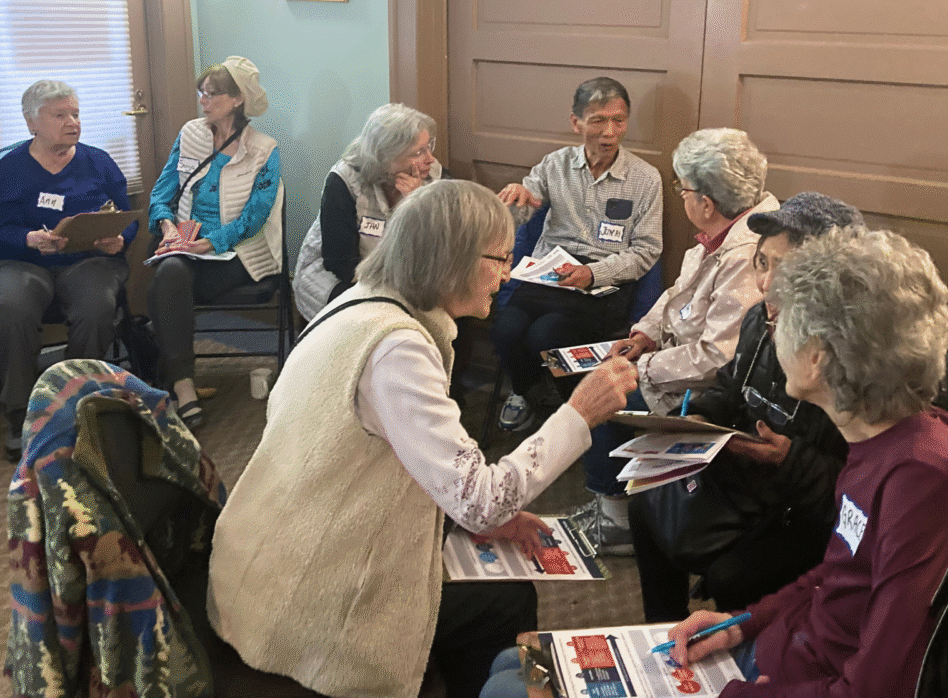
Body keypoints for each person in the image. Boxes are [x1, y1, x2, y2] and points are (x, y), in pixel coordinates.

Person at [206, 179, 638, 698]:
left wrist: (476, 516)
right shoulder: (398, 351)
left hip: (264, 560)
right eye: (499, 259)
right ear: (452, 259)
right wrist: (578, 414)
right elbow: (483, 502)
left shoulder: (358, 305)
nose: (506, 274)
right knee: (505, 601)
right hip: (308, 599)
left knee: (494, 590)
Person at [663, 227, 948, 697]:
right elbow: (840, 573)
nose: (771, 329)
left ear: (816, 358)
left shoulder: (920, 480)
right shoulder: (879, 436)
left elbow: (877, 689)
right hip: (781, 650)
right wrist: (743, 623)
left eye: (780, 322)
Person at [629, 192, 860, 619]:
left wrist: (789, 460)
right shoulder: (760, 320)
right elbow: (730, 389)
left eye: (786, 271)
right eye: (762, 262)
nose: (765, 284)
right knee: (646, 500)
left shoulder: (851, 360)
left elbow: (858, 490)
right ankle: (663, 633)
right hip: (748, 479)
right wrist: (701, 418)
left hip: (802, 511)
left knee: (733, 575)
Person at [572, 128, 779, 555]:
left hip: (705, 392)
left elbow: (716, 359)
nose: (680, 197)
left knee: (603, 397)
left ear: (706, 203)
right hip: (675, 362)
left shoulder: (745, 255)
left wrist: (638, 370)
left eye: (682, 189)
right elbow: (678, 295)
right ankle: (617, 505)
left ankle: (618, 524)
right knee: (603, 381)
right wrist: (645, 332)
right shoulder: (727, 230)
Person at [491, 76, 662, 432]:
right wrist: (515, 199)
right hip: (549, 273)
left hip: (602, 283)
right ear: (576, 123)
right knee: (505, 329)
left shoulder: (646, 179)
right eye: (598, 120)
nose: (609, 131)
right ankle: (528, 390)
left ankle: (574, 404)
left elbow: (647, 251)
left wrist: (594, 274)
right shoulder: (555, 165)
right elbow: (522, 211)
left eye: (619, 120)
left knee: (544, 336)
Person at [0, 79, 137, 461]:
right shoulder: (11, 167)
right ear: (31, 122)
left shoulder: (98, 160)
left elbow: (127, 217)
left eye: (76, 113)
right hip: (22, 261)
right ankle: (20, 412)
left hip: (88, 260)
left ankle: (79, 403)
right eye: (60, 115)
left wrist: (120, 239)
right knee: (12, 308)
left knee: (95, 308)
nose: (73, 122)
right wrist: (31, 238)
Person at [146, 56, 282, 430]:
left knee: (168, 285)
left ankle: (172, 377)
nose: (203, 101)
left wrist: (210, 243)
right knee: (172, 272)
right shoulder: (190, 134)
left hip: (237, 252)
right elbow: (163, 192)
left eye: (212, 94)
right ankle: (184, 387)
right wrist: (167, 226)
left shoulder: (264, 150)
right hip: (185, 245)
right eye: (200, 93)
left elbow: (256, 216)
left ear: (237, 99)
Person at [292, 103, 441, 321]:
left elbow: (440, 250)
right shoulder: (343, 180)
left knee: (445, 312)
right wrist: (393, 290)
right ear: (386, 157)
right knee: (375, 316)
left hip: (402, 277)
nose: (430, 158)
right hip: (339, 276)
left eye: (429, 146)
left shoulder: (432, 177)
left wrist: (416, 205)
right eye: (418, 152)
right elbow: (339, 262)